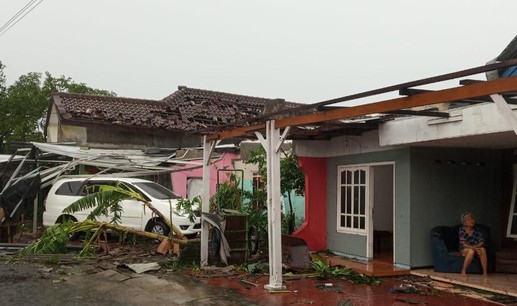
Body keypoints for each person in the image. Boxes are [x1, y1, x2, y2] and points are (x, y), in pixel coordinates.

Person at [459, 212, 488, 281]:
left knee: (483, 249)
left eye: (472, 219)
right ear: (465, 222)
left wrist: (477, 248)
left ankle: (484, 272)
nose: (471, 221)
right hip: (465, 249)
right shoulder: (462, 230)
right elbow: (464, 244)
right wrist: (475, 249)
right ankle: (463, 270)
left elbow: (482, 242)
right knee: (471, 251)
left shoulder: (477, 230)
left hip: (476, 247)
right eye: (468, 220)